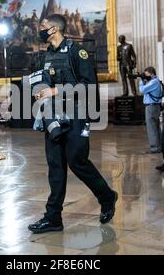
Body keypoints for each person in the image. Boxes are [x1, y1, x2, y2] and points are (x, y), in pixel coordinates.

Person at [27, 14, 118, 234]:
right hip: (53, 115)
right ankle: (53, 218)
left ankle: (106, 196)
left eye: (43, 27)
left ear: (55, 29)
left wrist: (55, 90)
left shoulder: (78, 52)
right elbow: (44, 81)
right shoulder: (47, 54)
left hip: (77, 115)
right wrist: (40, 91)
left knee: (77, 161)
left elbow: (88, 86)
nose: (40, 31)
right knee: (55, 166)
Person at [139, 67, 163, 154]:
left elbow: (142, 90)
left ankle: (155, 148)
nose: (145, 76)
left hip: (151, 107)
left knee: (151, 128)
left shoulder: (154, 82)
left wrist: (141, 81)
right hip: (154, 106)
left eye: (147, 74)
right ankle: (159, 146)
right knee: (156, 127)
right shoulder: (155, 81)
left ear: (151, 73)